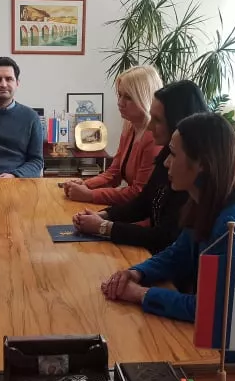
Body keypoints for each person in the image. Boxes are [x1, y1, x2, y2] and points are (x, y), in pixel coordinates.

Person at [100, 113, 235, 360]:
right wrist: (136, 273)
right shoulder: (208, 202)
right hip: (224, 336)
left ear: (202, 163)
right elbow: (179, 253)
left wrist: (140, 294)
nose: (166, 163)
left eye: (174, 154)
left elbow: (211, 312)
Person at [72, 80, 206, 256]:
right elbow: (143, 202)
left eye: (157, 120)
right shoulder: (165, 152)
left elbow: (164, 237)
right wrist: (102, 215)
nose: (150, 126)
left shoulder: (188, 176)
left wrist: (104, 226)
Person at [63, 65, 164, 205]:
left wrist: (90, 195)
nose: (120, 103)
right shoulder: (130, 127)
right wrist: (85, 184)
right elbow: (114, 173)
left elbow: (139, 193)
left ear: (144, 98)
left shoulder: (154, 138)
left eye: (128, 97)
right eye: (120, 95)